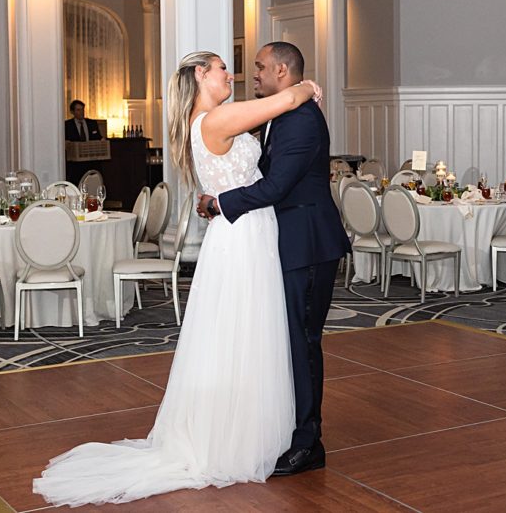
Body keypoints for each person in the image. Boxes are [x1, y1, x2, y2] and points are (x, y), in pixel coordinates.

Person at [33, 51, 321, 506]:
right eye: (223, 68)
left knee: (241, 334)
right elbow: (283, 103)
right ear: (201, 76)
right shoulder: (215, 119)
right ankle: (239, 438)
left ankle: (246, 428)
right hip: (244, 237)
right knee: (245, 332)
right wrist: (306, 88)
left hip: (242, 234)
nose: (232, 74)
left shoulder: (201, 121)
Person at [200, 41, 350, 476]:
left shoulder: (301, 120)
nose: (255, 75)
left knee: (303, 343)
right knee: (289, 341)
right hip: (289, 243)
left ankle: (309, 443)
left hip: (308, 244)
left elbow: (275, 188)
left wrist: (219, 205)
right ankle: (292, 430)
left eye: (261, 68)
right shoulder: (282, 114)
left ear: (283, 71)